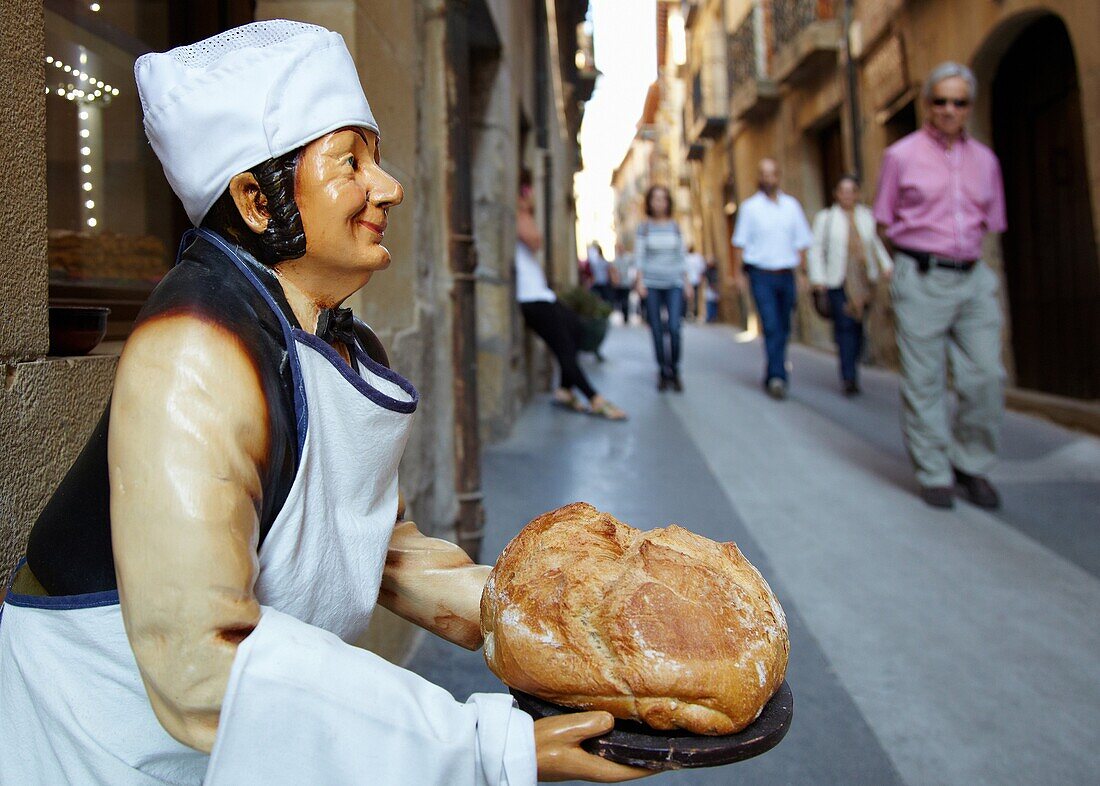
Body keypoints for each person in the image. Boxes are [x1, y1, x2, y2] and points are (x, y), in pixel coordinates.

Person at [0, 22, 649, 785]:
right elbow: (200, 670)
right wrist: (484, 745)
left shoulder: (328, 335)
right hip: (108, 739)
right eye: (351, 161)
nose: (390, 187)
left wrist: (556, 632)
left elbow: (379, 547)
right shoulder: (195, 349)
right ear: (256, 200)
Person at [873, 61, 1007, 511]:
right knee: (924, 380)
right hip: (920, 275)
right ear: (928, 104)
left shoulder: (986, 161)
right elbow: (883, 222)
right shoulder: (901, 156)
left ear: (970, 106)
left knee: (986, 375)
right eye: (941, 100)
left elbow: (993, 223)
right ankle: (935, 471)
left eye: (960, 101)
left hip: (973, 277)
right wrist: (908, 269)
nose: (950, 109)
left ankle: (971, 464)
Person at [517, 172, 627, 420]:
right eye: (527, 192)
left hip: (540, 293)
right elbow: (534, 240)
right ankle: (594, 398)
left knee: (576, 329)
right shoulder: (517, 214)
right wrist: (524, 210)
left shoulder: (522, 214)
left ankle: (565, 391)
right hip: (529, 297)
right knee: (563, 347)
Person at [730, 158, 813, 400]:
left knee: (784, 327)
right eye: (764, 174)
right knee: (771, 325)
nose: (769, 179)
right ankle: (778, 376)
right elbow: (740, 244)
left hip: (786, 274)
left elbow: (801, 243)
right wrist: (739, 275)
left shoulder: (791, 207)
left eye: (773, 174)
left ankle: (773, 371)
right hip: (760, 274)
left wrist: (802, 274)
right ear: (759, 177)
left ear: (778, 176)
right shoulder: (750, 208)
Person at [808, 174, 894, 395]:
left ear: (857, 193)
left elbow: (875, 244)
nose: (847, 195)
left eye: (851, 191)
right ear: (837, 194)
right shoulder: (826, 218)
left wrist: (886, 265)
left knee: (858, 326)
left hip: (865, 283)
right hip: (838, 281)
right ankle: (849, 377)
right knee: (845, 327)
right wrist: (818, 279)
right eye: (843, 191)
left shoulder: (866, 217)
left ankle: (854, 360)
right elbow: (816, 249)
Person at [635, 185, 691, 391]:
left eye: (663, 198)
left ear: (668, 202)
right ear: (649, 202)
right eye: (655, 199)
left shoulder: (675, 227)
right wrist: (640, 281)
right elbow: (639, 257)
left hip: (674, 282)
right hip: (652, 284)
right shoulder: (644, 228)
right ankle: (662, 370)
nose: (659, 202)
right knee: (657, 330)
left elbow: (681, 256)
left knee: (675, 328)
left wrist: (686, 283)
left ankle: (674, 369)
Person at [611, 242, 634, 324]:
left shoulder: (628, 258)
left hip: (626, 283)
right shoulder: (616, 259)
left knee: (626, 301)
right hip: (619, 283)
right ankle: (624, 315)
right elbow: (613, 271)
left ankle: (626, 317)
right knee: (620, 301)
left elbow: (633, 268)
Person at [685, 244, 707, 321]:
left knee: (690, 298)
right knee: (695, 297)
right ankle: (693, 313)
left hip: (690, 280)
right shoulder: (697, 257)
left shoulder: (687, 258)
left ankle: (690, 313)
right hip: (694, 280)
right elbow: (702, 268)